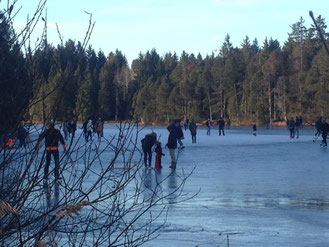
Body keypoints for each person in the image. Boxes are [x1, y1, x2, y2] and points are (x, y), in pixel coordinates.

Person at [37, 121, 66, 202]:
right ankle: (56, 176)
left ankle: (45, 176)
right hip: (55, 149)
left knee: (47, 163)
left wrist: (38, 145)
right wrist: (64, 147)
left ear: (49, 126)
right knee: (57, 163)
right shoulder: (56, 131)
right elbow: (61, 139)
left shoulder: (46, 131)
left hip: (48, 149)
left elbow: (41, 138)